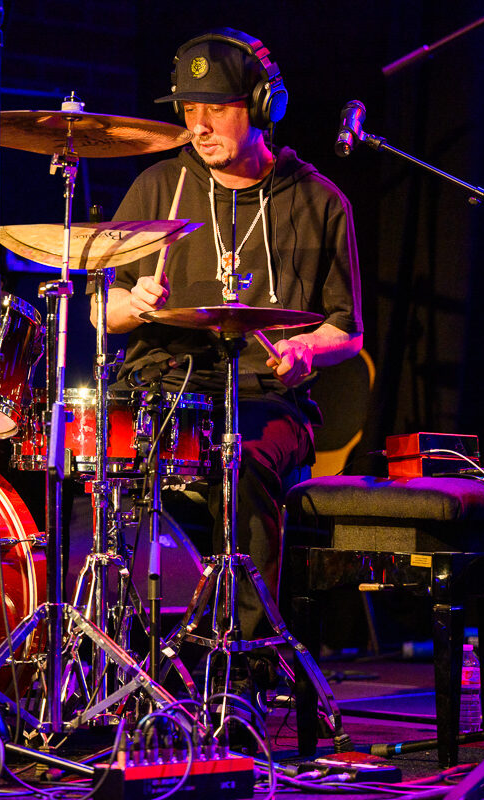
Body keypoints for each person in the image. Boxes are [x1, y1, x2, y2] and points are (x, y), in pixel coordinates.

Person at [91, 28, 363, 636]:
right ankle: (115, 641)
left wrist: (306, 347)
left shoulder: (320, 202)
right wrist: (133, 304)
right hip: (160, 388)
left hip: (267, 399)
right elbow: (99, 310)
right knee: (90, 452)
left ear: (264, 107)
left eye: (216, 108)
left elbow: (347, 331)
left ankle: (245, 656)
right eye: (190, 110)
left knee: (239, 457)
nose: (200, 126)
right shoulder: (158, 187)